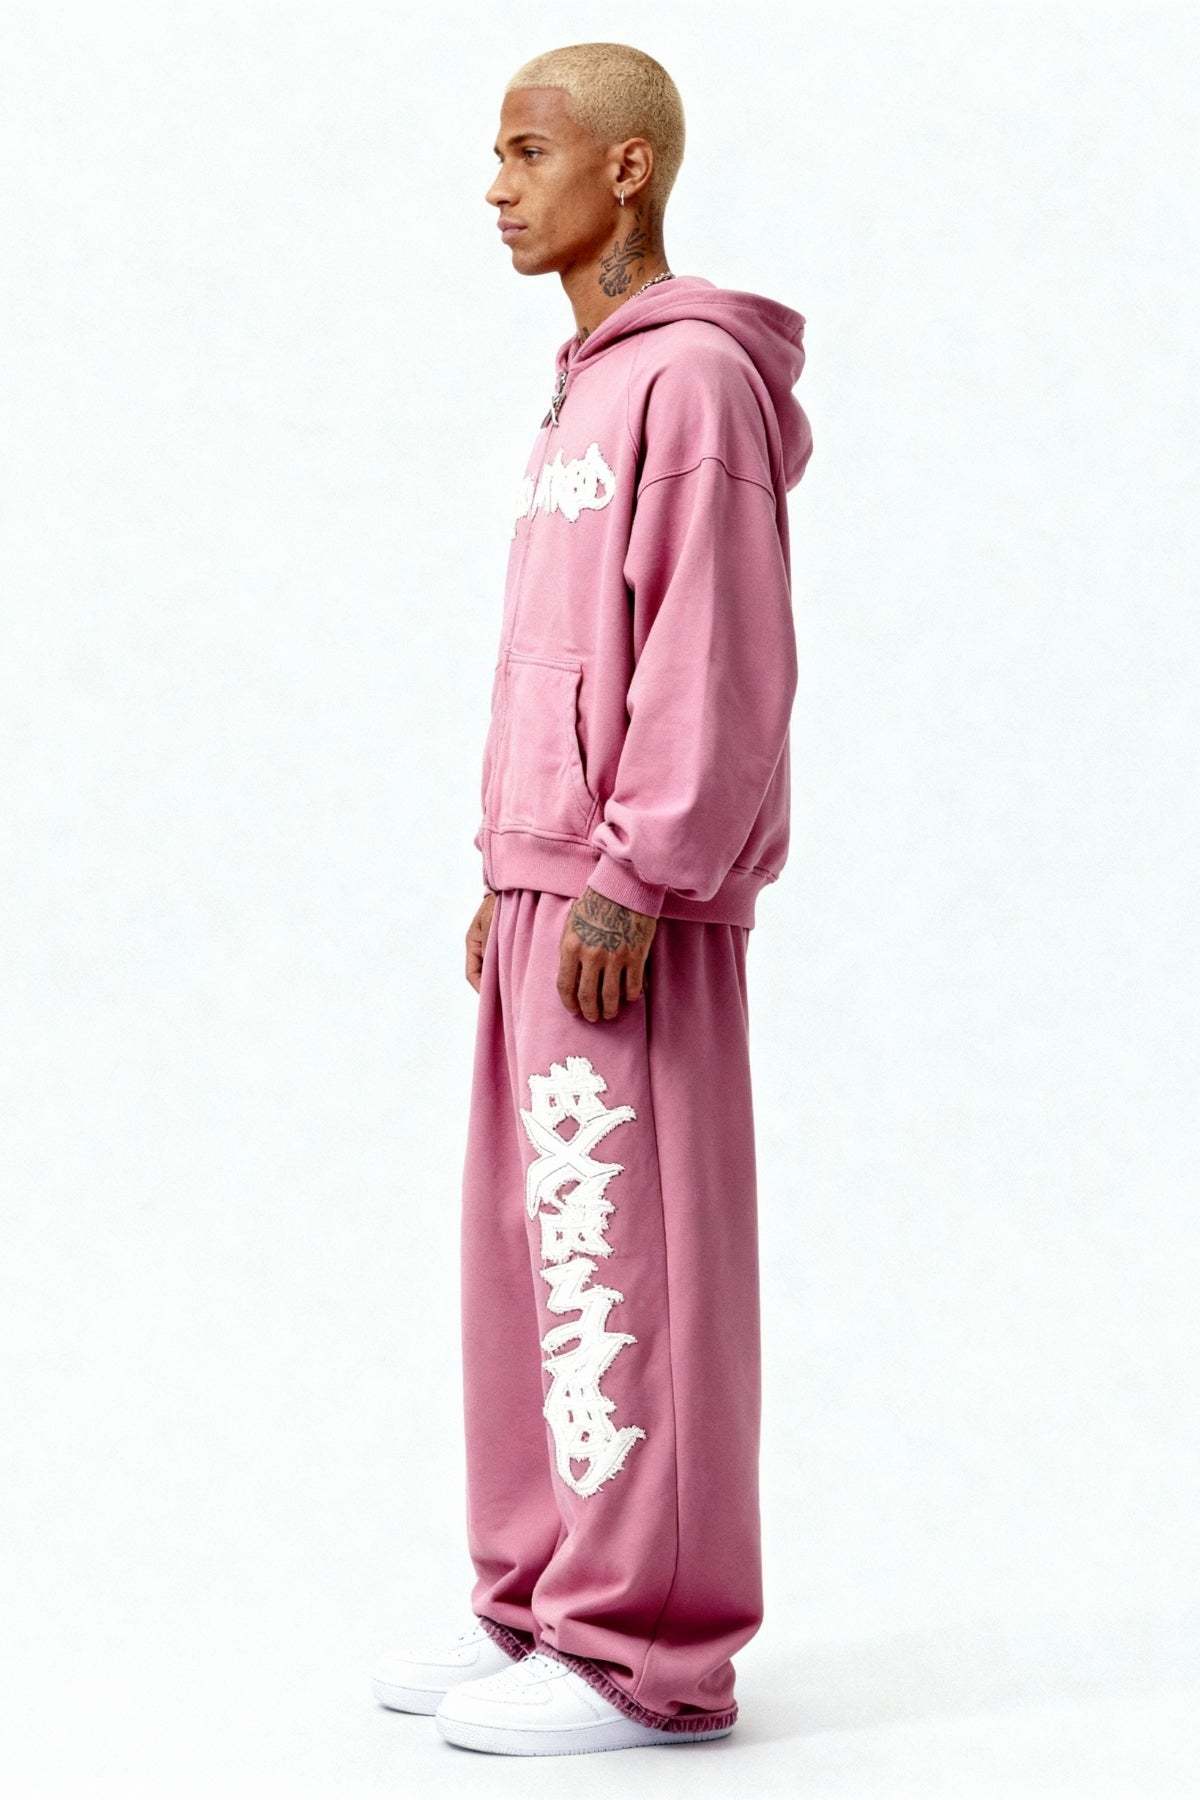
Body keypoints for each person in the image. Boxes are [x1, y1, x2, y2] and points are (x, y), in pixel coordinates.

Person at [371, 39, 813, 1756]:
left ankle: (647, 1652)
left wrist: (638, 866)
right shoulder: (585, 386)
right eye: (496, 154)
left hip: (635, 896)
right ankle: (543, 1599)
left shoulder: (690, 379)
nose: (496, 187)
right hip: (549, 883)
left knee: (630, 1262)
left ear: (625, 169)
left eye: (527, 151)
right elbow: (561, 653)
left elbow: (716, 649)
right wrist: (513, 861)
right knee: (535, 1258)